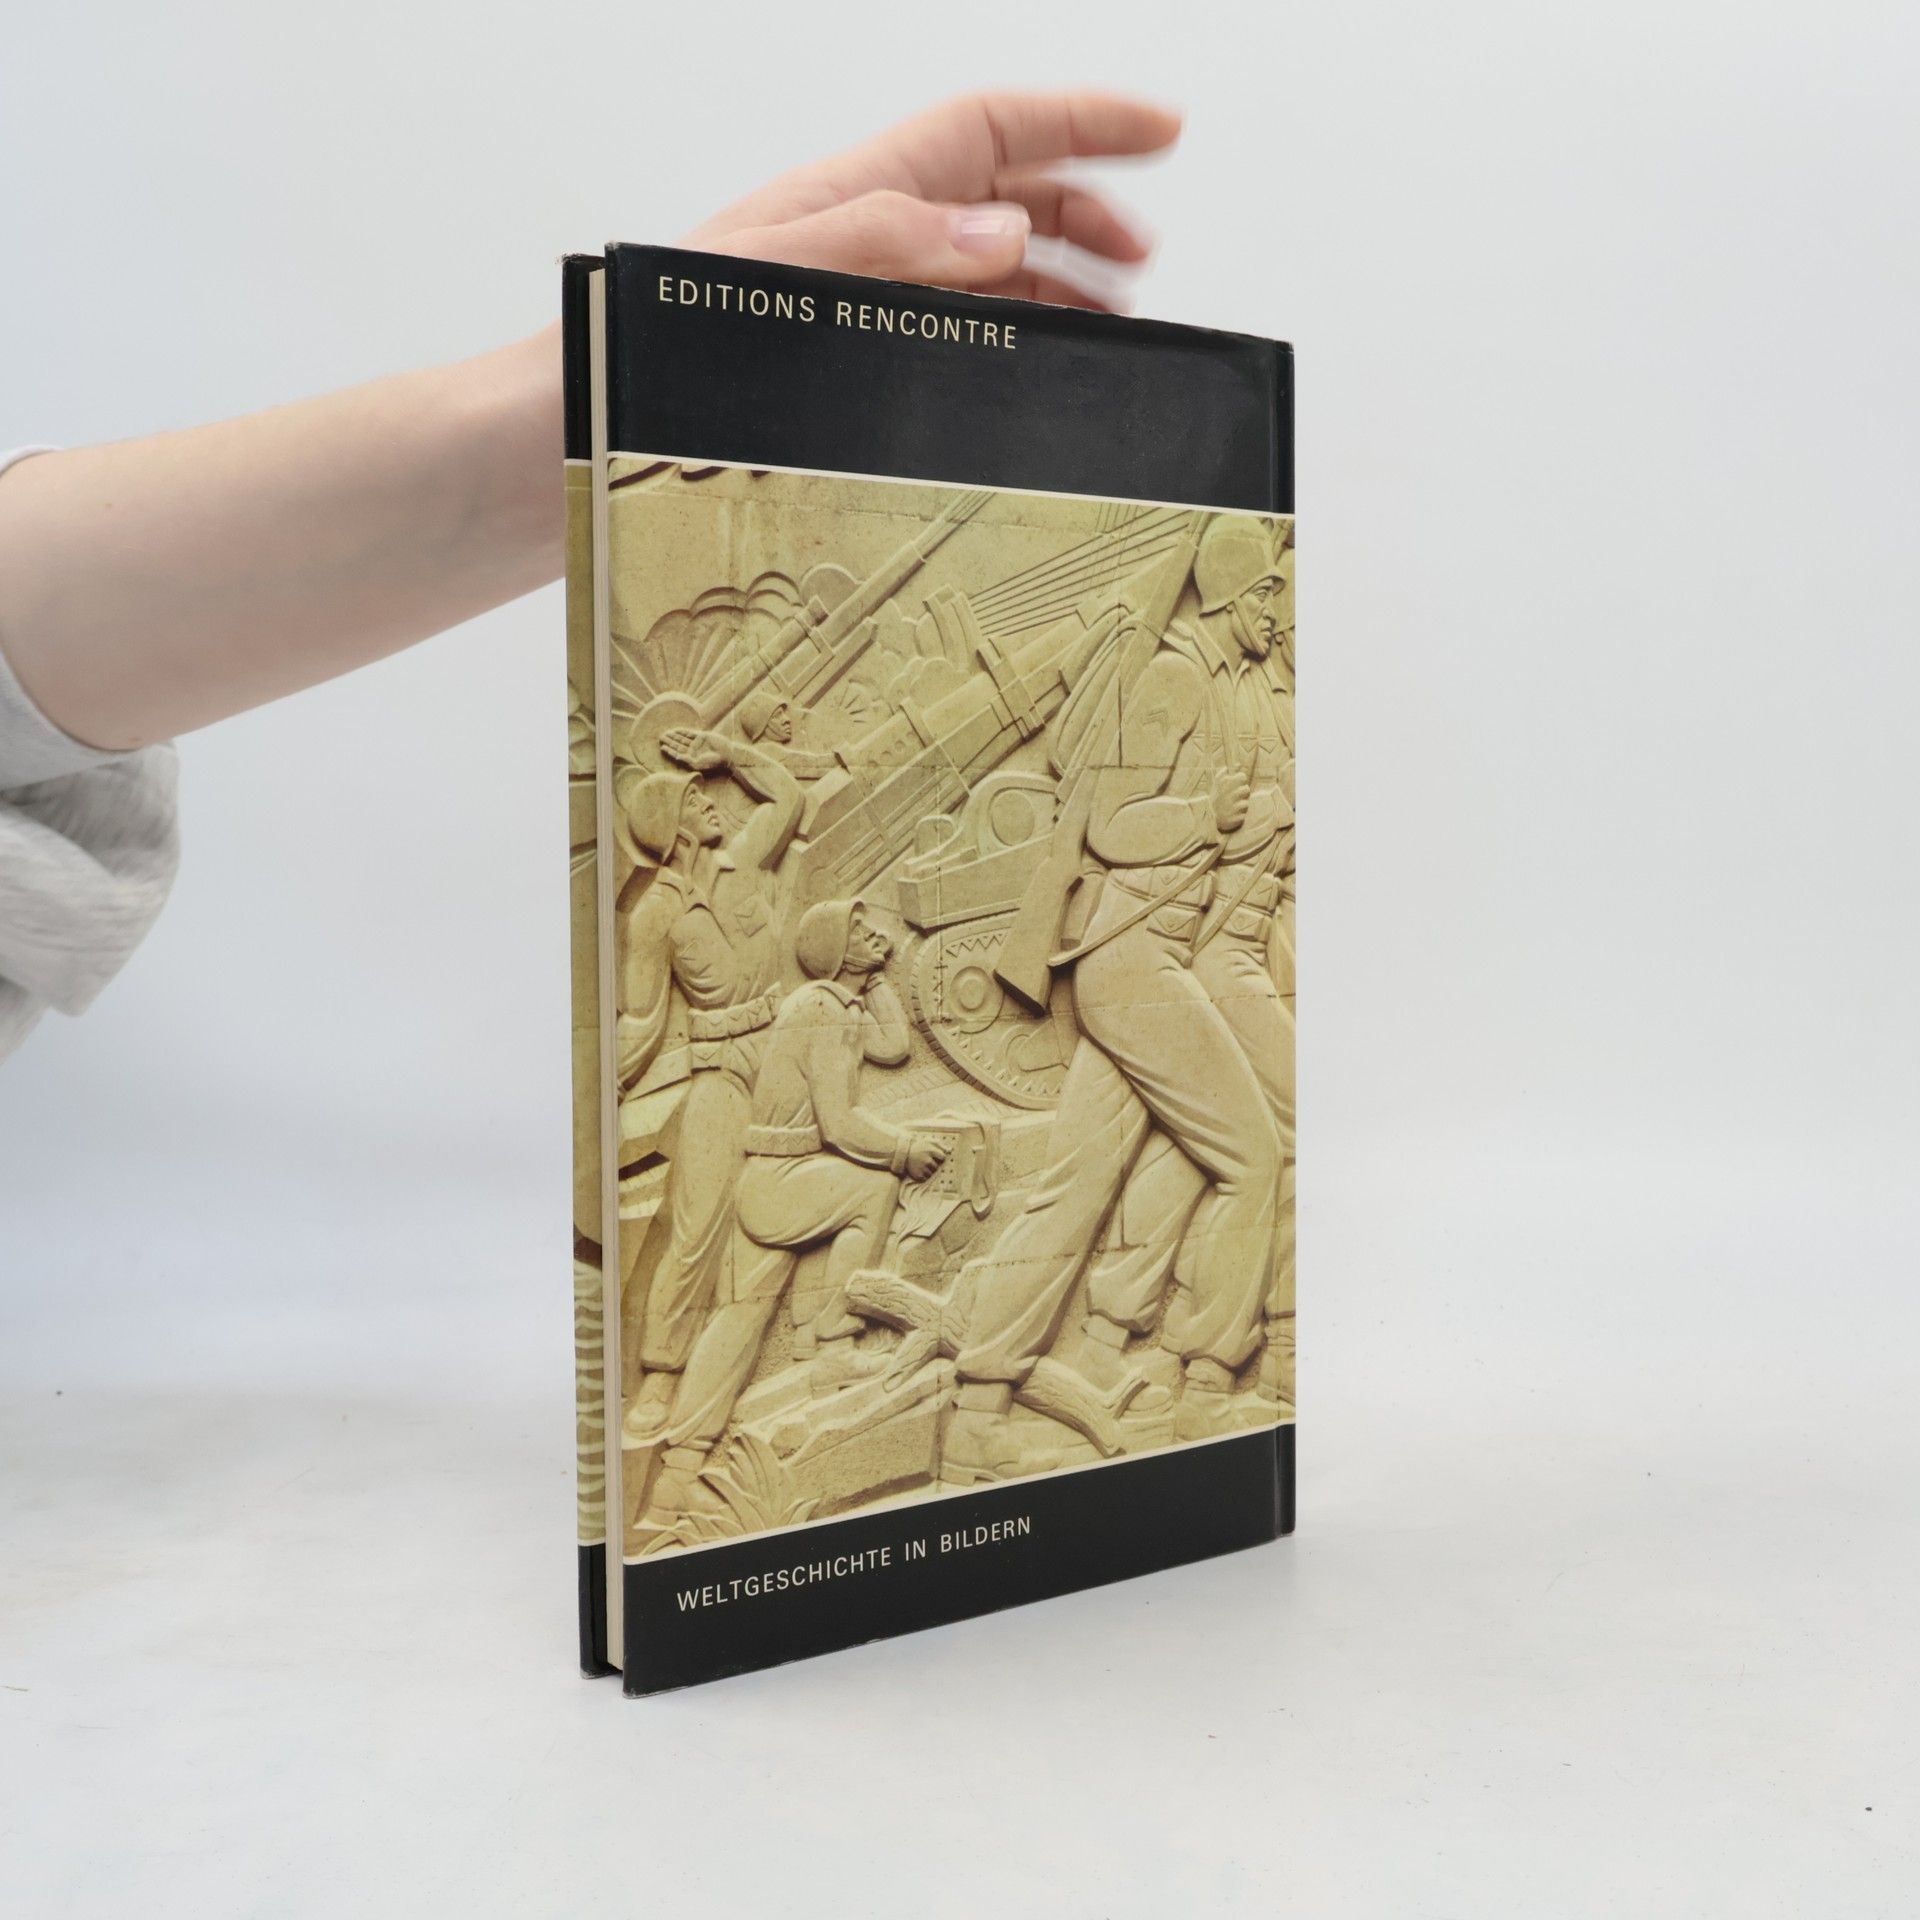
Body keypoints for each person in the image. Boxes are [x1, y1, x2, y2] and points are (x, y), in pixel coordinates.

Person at [0, 90, 1178, 1062]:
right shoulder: (689, 901)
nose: (706, 809)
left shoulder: (748, 843)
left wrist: (616, 390)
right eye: (694, 807)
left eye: (702, 802)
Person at [945, 516, 1288, 1477]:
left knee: (1076, 1187)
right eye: (1268, 593)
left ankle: (979, 1408)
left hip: (1143, 964)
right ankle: (1206, 1384)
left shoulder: (1222, 686)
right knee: (1255, 1158)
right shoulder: (1177, 678)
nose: (1278, 612)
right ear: (1232, 594)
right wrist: (1203, 816)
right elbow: (1109, 823)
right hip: (1134, 961)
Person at [646, 898, 949, 1517]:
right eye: (859, 931)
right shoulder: (818, 1011)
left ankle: (679, 1470)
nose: (875, 933)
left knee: (738, 1321)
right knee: (871, 1189)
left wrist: (875, 978)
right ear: (834, 951)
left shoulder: (842, 1004)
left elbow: (894, 1046)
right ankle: (831, 1343)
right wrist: (903, 1150)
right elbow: (839, 1124)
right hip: (778, 1179)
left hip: (782, 1175)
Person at [611, 726, 802, 1446]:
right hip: (720, 1069)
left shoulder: (745, 862)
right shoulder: (654, 917)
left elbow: (785, 796)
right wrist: (603, 1094)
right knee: (697, 1224)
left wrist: (728, 754)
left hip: (783, 1056)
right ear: (674, 830)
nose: (711, 801)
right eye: (696, 799)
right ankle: (662, 1373)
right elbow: (640, 1020)